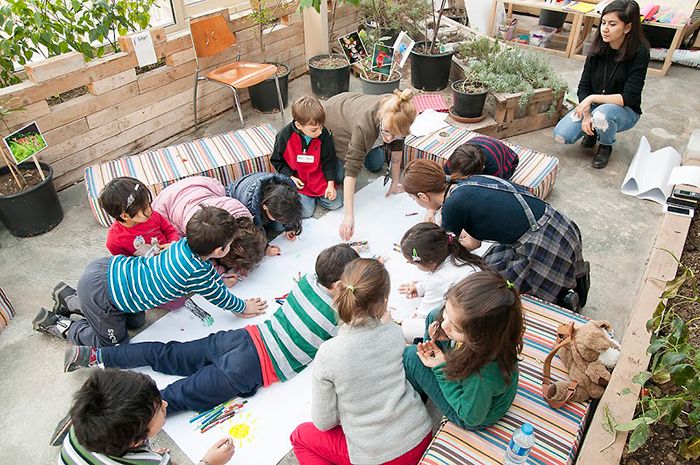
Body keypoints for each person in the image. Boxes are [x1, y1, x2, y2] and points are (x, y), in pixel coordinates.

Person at [63, 244, 360, 413]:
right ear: (340, 286)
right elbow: (351, 340)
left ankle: (95, 356)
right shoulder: (340, 315)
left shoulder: (310, 279)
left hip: (241, 339)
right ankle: (112, 422)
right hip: (252, 367)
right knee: (173, 398)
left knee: (166, 354)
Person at [33, 206, 268, 347]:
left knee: (136, 322)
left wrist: (219, 280)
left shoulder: (182, 244)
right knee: (114, 345)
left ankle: (69, 299)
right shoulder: (198, 272)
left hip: (108, 270)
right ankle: (60, 325)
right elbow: (222, 299)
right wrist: (243, 307)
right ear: (219, 251)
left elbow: (211, 280)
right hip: (103, 294)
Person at [290, 259, 432, 465]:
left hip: (378, 457)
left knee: (300, 436)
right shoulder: (393, 332)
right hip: (420, 435)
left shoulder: (329, 353)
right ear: (384, 303)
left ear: (338, 290)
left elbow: (324, 422)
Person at [401, 159, 589, 311]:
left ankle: (566, 299)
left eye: (413, 198)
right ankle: (572, 282)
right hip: (558, 224)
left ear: (423, 196)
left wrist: (426, 283)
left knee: (494, 291)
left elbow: (453, 253)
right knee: (490, 264)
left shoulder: (451, 208)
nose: (416, 202)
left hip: (543, 244)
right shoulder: (464, 183)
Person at [402, 271, 523, 430]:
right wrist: (448, 332)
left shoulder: (482, 375)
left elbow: (472, 417)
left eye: (457, 329)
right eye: (448, 313)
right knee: (434, 316)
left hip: (469, 413)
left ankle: (422, 385)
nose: (445, 326)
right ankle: (430, 360)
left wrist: (441, 369)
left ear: (479, 339)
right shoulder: (498, 334)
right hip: (470, 381)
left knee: (411, 356)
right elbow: (447, 321)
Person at [58, 369, 234, 465]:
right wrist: (210, 462)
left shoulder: (79, 430)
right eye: (158, 409)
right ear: (134, 442)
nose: (165, 404)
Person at [553, 0, 650, 169]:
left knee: (602, 115)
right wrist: (587, 114)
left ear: (627, 27)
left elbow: (629, 97)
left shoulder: (639, 53)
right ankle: (593, 130)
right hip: (595, 107)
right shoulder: (597, 48)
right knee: (561, 135)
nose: (605, 29)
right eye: (603, 23)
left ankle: (605, 145)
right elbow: (584, 87)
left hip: (624, 110)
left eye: (612, 24)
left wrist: (592, 99)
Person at [323, 89, 418, 240]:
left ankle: (371, 145)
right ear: (381, 117)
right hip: (335, 119)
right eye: (386, 132)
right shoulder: (364, 126)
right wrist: (348, 216)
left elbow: (397, 150)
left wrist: (395, 181)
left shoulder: (399, 114)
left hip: (357, 116)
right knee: (340, 176)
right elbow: (351, 170)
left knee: (376, 164)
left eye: (396, 135)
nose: (389, 138)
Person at [152, 176, 277, 277]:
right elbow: (200, 260)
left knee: (220, 191)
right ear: (220, 252)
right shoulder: (198, 239)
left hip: (195, 184)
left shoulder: (240, 209)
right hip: (165, 205)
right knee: (175, 240)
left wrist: (263, 248)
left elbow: (252, 235)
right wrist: (221, 273)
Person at [397, 223, 483, 342]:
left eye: (413, 263)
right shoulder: (455, 253)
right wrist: (420, 288)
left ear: (431, 262)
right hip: (480, 303)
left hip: (466, 322)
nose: (411, 264)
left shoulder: (438, 279)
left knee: (406, 328)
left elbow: (424, 315)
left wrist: (414, 318)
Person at [271, 95, 342, 218]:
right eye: (314, 130)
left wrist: (330, 184)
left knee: (336, 203)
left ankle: (318, 197)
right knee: (306, 212)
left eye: (321, 127)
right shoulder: (283, 136)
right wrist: (290, 176)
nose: (319, 132)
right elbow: (277, 160)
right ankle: (313, 198)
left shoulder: (323, 134)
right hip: (300, 180)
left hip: (319, 177)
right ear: (299, 125)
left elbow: (329, 161)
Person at [99, 177, 180, 257]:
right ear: (125, 216)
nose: (149, 210)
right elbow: (127, 263)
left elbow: (170, 231)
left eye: (148, 203)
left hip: (170, 253)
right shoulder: (114, 241)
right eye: (144, 209)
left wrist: (172, 245)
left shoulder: (153, 216)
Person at [226, 172, 303, 240]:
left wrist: (290, 227)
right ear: (265, 207)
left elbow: (290, 210)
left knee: (279, 227)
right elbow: (250, 236)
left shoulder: (288, 190)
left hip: (254, 187)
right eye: (276, 218)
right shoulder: (249, 208)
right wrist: (266, 248)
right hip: (236, 196)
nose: (279, 221)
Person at [444, 135, 519, 180]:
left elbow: (492, 187)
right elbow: (444, 177)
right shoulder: (454, 159)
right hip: (480, 141)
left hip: (509, 160)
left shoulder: (493, 168)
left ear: (482, 169)